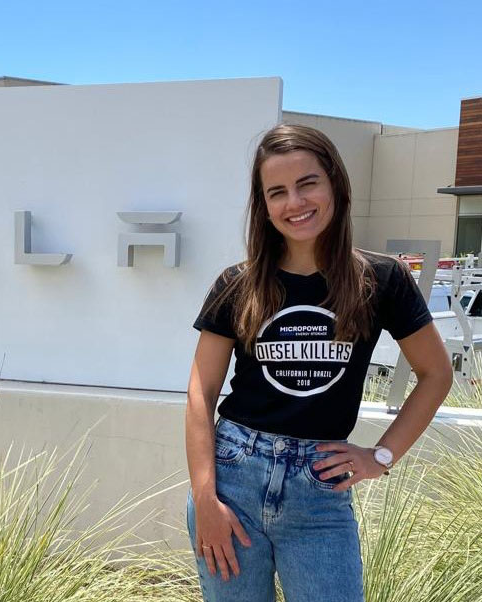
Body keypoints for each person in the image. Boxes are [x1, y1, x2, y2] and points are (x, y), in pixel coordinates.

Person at [184, 123, 453, 602]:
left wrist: (381, 456)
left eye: (307, 183)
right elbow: (200, 393)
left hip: (319, 492)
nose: (295, 202)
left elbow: (436, 374)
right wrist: (206, 497)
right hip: (232, 482)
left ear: (334, 184)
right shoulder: (237, 283)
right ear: (264, 205)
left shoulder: (381, 279)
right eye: (277, 192)